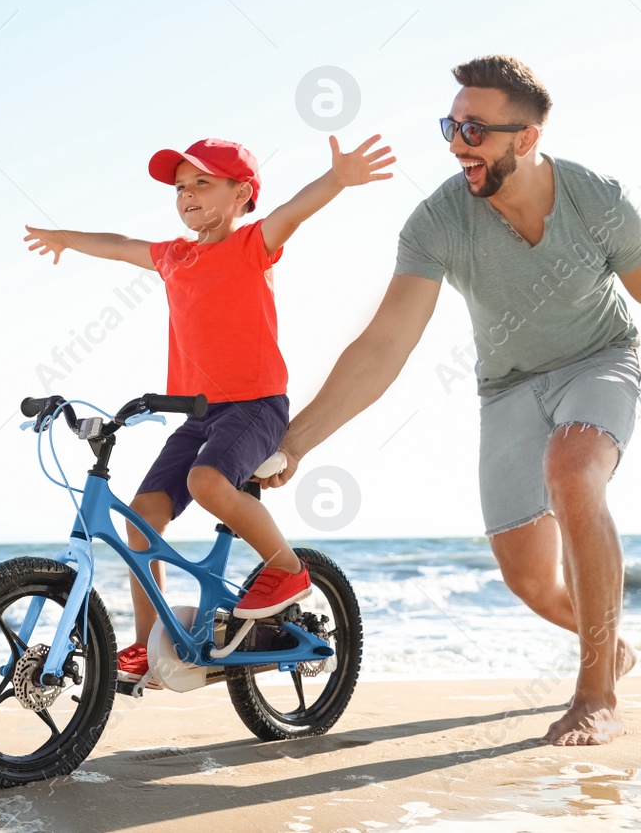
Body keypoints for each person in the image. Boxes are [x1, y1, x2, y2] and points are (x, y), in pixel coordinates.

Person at [264, 55, 641, 745]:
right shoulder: (438, 221)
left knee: (573, 470)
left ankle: (597, 693)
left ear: (525, 138)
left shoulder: (601, 201)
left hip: (600, 360)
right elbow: (384, 343)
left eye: (474, 128)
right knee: (528, 580)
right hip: (506, 386)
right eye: (451, 124)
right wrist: (297, 439)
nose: (456, 142)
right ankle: (610, 646)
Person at [23, 135, 394, 685]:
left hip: (256, 405)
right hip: (198, 412)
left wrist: (337, 178)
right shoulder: (175, 256)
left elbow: (293, 212)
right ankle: (151, 644)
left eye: (203, 183)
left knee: (206, 481)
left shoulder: (251, 245)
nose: (187, 195)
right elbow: (120, 243)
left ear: (242, 193)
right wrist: (66, 239)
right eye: (180, 187)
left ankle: (288, 569)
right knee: (143, 516)